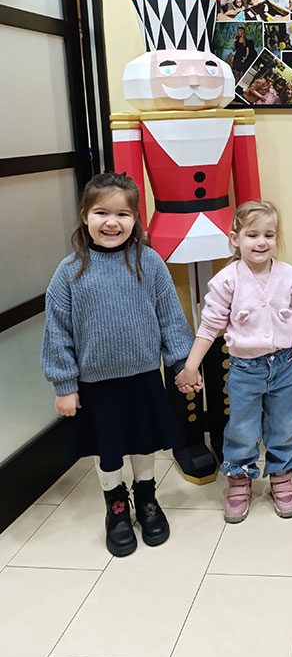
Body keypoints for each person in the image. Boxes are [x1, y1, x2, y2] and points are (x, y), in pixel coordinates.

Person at [40, 172, 194, 557]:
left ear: (135, 218)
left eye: (122, 214)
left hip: (143, 377)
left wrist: (182, 364)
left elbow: (170, 317)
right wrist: (64, 385)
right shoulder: (69, 271)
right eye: (101, 213)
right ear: (84, 216)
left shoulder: (149, 262)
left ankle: (146, 498)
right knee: (107, 448)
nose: (112, 222)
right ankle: (116, 506)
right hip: (96, 384)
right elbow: (57, 331)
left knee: (144, 442)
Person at [176, 200, 292, 522]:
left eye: (269, 235)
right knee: (242, 428)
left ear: (276, 238)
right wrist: (191, 366)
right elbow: (209, 327)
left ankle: (281, 477)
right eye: (252, 235)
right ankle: (240, 480)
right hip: (243, 369)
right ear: (235, 239)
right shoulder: (227, 280)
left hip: (284, 366)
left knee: (284, 426)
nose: (261, 242)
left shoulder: (289, 276)